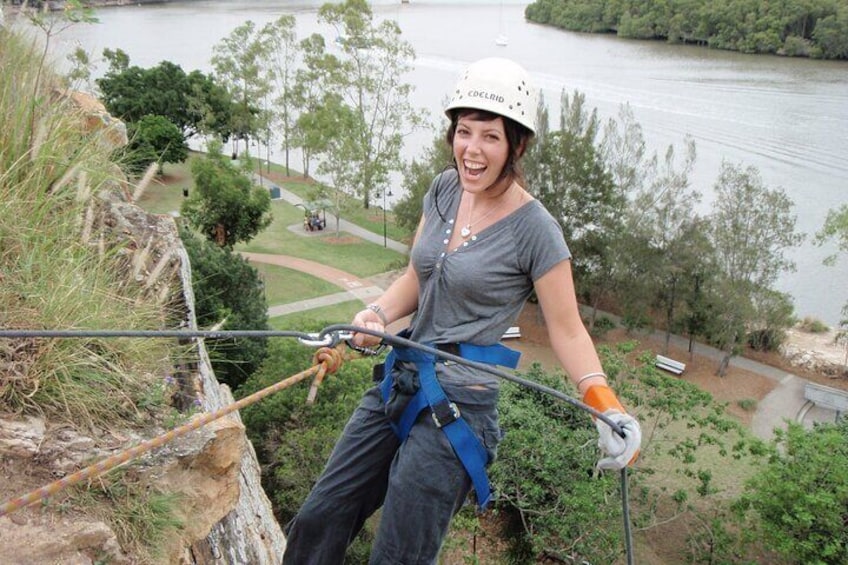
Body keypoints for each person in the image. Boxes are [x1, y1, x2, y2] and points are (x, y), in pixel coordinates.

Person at [282, 57, 641, 565]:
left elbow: (568, 330)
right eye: (464, 132)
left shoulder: (536, 231)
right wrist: (377, 315)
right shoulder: (444, 189)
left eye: (490, 137)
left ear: (516, 145)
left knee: (399, 556)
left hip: (459, 408)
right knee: (318, 519)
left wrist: (605, 403)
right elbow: (415, 276)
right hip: (401, 379)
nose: (472, 150)